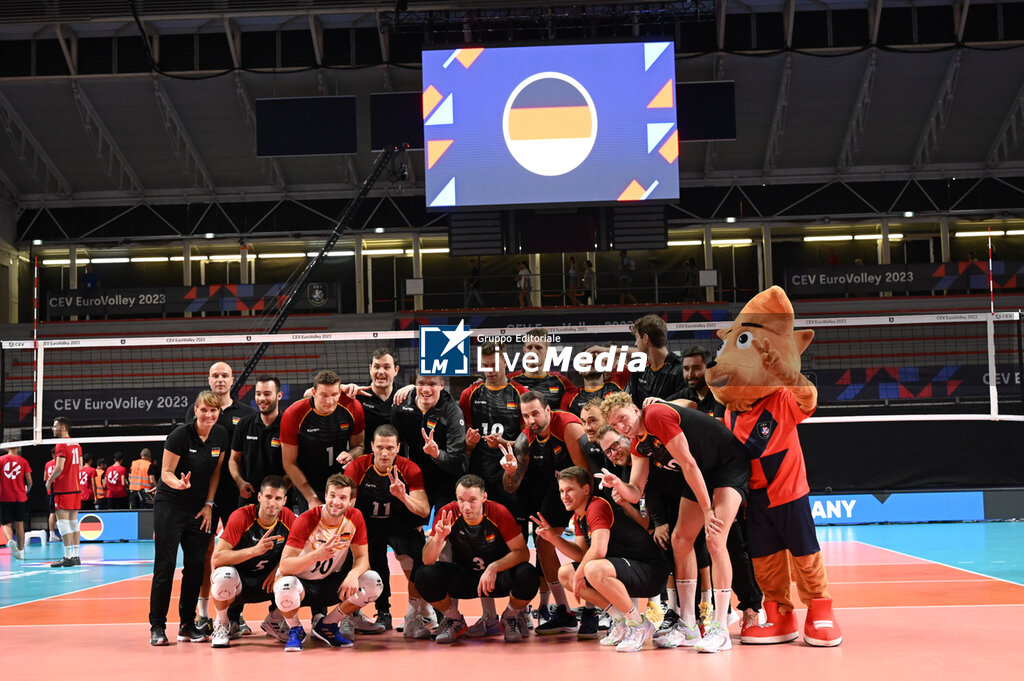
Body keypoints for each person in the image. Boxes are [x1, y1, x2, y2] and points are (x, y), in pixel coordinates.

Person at [601, 391, 751, 653]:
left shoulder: (656, 415)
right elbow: (636, 490)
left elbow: (688, 463)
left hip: (726, 464)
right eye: (615, 425)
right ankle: (689, 626)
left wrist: (707, 510)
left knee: (715, 539)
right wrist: (619, 486)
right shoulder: (638, 443)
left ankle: (720, 629)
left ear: (635, 410)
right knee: (680, 540)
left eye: (622, 418)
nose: (621, 427)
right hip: (702, 473)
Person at [539, 466, 668, 652]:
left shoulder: (597, 506)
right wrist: (553, 538)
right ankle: (621, 621)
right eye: (561, 491)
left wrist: (579, 576)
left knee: (592, 569)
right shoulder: (579, 516)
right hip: (625, 569)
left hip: (649, 571)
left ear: (585, 489)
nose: (564, 496)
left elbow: (598, 550)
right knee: (566, 572)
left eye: (569, 490)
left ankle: (638, 624)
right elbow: (582, 554)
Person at [499, 391, 591, 636]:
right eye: (526, 415)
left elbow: (586, 474)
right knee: (543, 543)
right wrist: (509, 471)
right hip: (552, 489)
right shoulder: (525, 438)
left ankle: (591, 610)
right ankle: (563, 611)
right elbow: (511, 486)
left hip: (581, 488)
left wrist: (586, 511)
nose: (531, 420)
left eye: (536, 413)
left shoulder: (568, 427)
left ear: (548, 411)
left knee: (588, 545)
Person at [414, 474, 540, 645]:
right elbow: (427, 560)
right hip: (465, 577)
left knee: (529, 574)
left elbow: (522, 553)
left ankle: (510, 617)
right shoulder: (448, 513)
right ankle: (454, 620)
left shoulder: (498, 512)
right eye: (461, 500)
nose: (466, 506)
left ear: (484, 497)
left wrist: (494, 567)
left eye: (472, 500)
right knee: (423, 574)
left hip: (496, 578)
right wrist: (438, 538)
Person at [148, 391, 229, 646]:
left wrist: (208, 504)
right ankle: (157, 627)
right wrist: (178, 485)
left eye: (214, 411)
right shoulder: (180, 435)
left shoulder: (221, 435)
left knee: (195, 567)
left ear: (219, 413)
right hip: (170, 505)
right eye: (204, 410)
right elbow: (167, 472)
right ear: (195, 410)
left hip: (199, 509)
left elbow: (216, 474)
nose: (209, 415)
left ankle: (186, 624)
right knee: (165, 565)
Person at [272, 473, 383, 651]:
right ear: (325, 495)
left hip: (327, 583)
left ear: (351, 500)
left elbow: (363, 558)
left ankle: (327, 626)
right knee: (285, 586)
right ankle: (295, 629)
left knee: (373, 581)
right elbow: (285, 566)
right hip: (300, 584)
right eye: (332, 496)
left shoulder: (355, 518)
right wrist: (316, 555)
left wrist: (353, 574)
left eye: (342, 498)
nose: (336, 502)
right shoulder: (306, 520)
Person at [344, 425, 431, 634]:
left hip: (397, 523)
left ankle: (416, 612)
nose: (384, 453)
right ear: (372, 446)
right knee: (373, 562)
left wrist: (403, 496)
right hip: (366, 524)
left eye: (390, 448)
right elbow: (347, 510)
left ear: (398, 448)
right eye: (380, 447)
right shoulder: (357, 467)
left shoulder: (410, 469)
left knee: (423, 554)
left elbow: (424, 510)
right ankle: (380, 612)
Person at [209, 475, 296, 648]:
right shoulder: (241, 516)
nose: (272, 503)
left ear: (285, 500)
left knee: (298, 571)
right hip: (240, 582)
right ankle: (222, 623)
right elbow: (218, 558)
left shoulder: (289, 518)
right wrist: (254, 551)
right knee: (223, 576)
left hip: (268, 581)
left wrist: (278, 569)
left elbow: (299, 553)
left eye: (278, 498)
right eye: (268, 497)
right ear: (259, 497)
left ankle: (275, 620)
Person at [281, 369, 365, 513]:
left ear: (340, 392)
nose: (329, 401)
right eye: (324, 395)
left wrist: (351, 454)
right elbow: (289, 463)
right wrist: (311, 498)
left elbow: (359, 446)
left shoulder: (353, 407)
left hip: (340, 480)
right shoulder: (294, 414)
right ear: (313, 393)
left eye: (334, 395)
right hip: (307, 481)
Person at [390, 372, 466, 512]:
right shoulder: (402, 404)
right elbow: (395, 445)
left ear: (442, 385)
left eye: (432, 384)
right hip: (415, 477)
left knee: (444, 525)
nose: (426, 389)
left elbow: (457, 460)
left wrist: (437, 454)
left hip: (445, 479)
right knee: (411, 524)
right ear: (415, 384)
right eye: (421, 383)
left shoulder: (452, 412)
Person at [230, 375, 285, 507]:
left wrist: (280, 490)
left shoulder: (288, 425)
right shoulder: (244, 425)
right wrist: (240, 482)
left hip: (278, 498)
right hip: (249, 496)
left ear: (279, 395)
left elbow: (295, 464)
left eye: (267, 394)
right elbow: (233, 459)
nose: (261, 399)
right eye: (258, 394)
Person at [507, 329, 578, 410]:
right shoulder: (510, 380)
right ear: (524, 350)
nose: (533, 351)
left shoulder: (562, 382)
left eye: (538, 347)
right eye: (530, 347)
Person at [626, 314, 687, 406]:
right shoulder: (639, 370)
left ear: (645, 338)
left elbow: (689, 405)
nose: (635, 343)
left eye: (637, 338)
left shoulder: (681, 369)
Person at [46, 417, 82, 568]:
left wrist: (49, 480)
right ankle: (75, 555)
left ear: (62, 427)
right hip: (75, 488)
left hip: (63, 489)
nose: (52, 429)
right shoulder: (77, 444)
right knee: (73, 522)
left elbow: (59, 468)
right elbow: (80, 467)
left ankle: (67, 557)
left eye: (54, 426)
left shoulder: (61, 444)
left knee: (63, 522)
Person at [663, 346, 726, 418]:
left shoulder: (719, 395)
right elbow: (658, 406)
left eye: (696, 368)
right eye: (686, 369)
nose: (690, 375)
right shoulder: (686, 394)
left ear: (709, 369)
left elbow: (718, 426)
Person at [0, 446, 32, 560]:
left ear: (7, 447)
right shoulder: (23, 461)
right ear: (18, 447)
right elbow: (29, 481)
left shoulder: (1, 460)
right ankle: (21, 550)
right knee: (19, 523)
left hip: (4, 496)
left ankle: (10, 541)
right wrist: (25, 491)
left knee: (6, 524)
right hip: (20, 497)